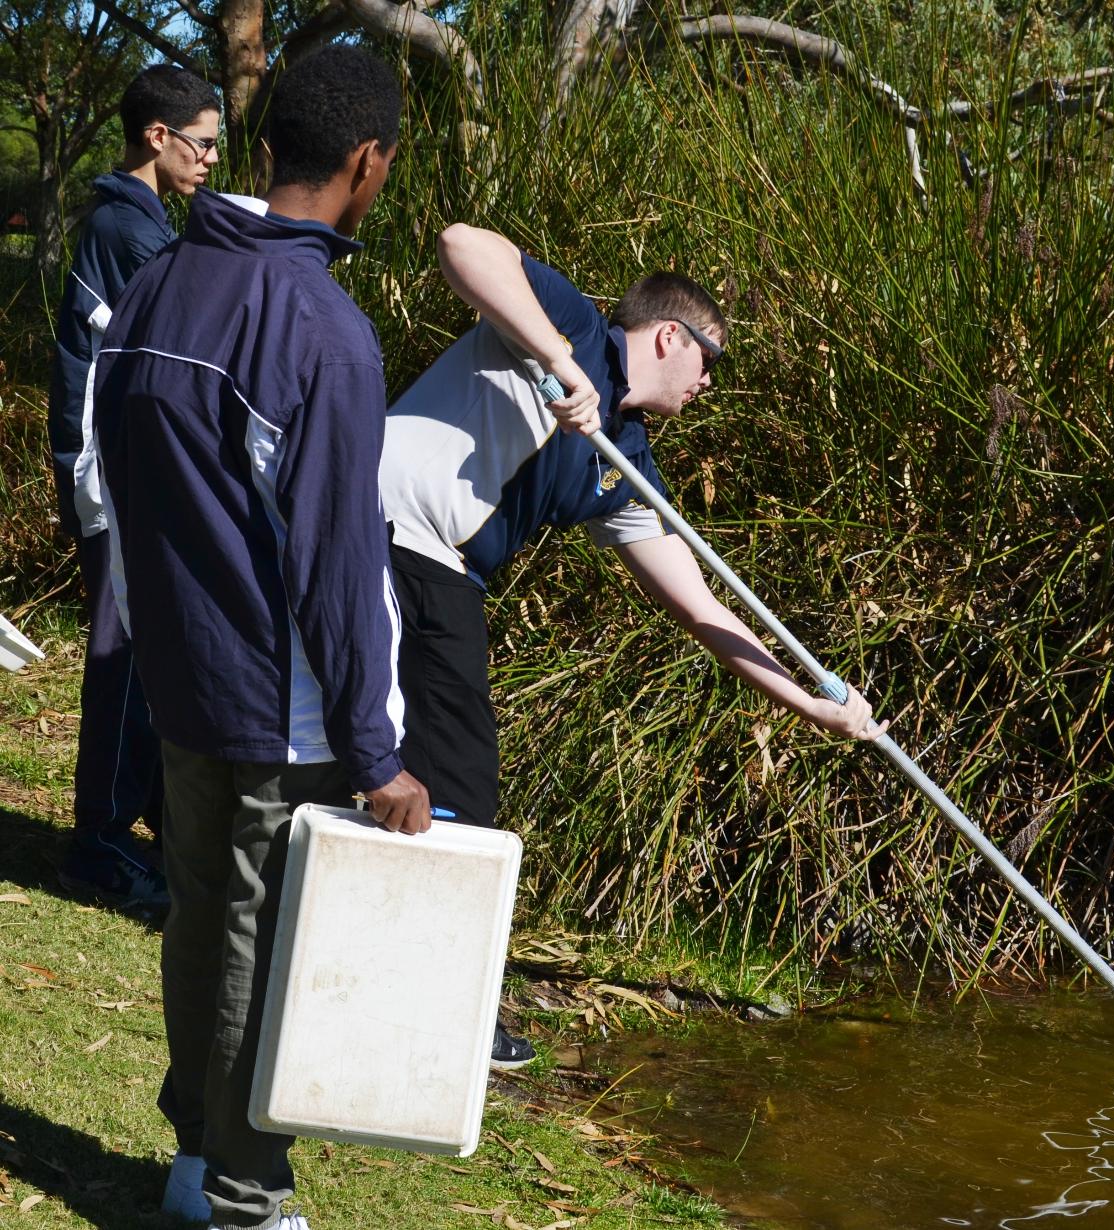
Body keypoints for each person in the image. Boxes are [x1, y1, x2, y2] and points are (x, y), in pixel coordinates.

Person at [379, 226, 882, 1064]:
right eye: (710, 362)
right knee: (460, 781)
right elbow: (462, 245)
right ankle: (445, 1008)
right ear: (668, 337)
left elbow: (702, 611)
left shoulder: (627, 465)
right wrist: (562, 366)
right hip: (392, 532)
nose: (710, 385)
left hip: (437, 570)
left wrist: (816, 706)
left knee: (395, 759)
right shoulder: (573, 323)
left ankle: (389, 970)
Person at [94, 46, 429, 1230]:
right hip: (271, 703)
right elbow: (338, 570)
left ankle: (198, 1156)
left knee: (204, 919)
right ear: (365, 161)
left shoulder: (157, 286)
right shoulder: (322, 331)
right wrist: (376, 749)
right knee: (247, 938)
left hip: (177, 676)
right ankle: (237, 1190)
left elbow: (108, 479)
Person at [49, 65, 221, 911]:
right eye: (205, 143)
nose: (212, 160)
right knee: (122, 662)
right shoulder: (130, 227)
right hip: (110, 475)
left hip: (122, 473)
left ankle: (141, 826)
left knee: (147, 655)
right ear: (160, 136)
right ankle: (99, 848)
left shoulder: (136, 217)